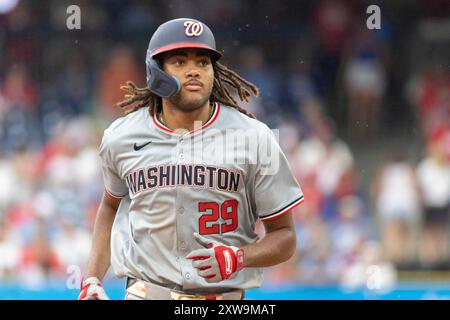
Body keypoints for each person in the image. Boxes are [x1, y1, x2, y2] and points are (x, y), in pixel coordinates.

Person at [78, 18, 304, 300]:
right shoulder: (121, 137)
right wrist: (92, 279)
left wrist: (240, 256)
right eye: (180, 62)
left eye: (203, 62)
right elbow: (110, 206)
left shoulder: (254, 137)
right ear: (156, 72)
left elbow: (285, 237)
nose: (194, 71)